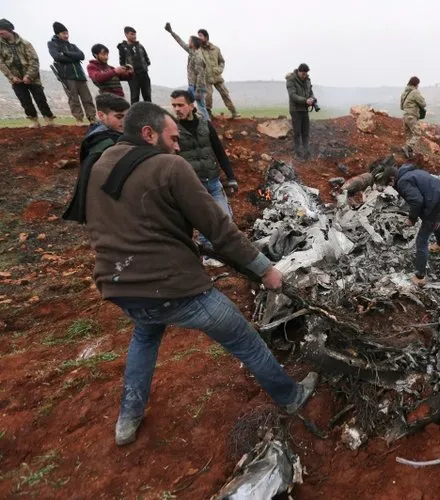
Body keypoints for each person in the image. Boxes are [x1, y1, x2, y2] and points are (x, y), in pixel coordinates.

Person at [83, 101, 318, 446]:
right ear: (149, 134)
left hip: (119, 287)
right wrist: (265, 270)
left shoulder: (100, 164)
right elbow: (220, 231)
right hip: (176, 288)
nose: (178, 146)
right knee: (245, 340)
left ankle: (127, 420)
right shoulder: (169, 166)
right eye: (173, 138)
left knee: (145, 337)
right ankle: (291, 396)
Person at [170, 89, 238, 267]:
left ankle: (224, 250)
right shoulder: (171, 129)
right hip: (193, 184)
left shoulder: (205, 125)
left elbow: (219, 152)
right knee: (202, 220)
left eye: (180, 105)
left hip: (213, 181)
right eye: (174, 105)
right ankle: (208, 255)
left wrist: (231, 176)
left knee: (224, 217)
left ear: (192, 105)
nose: (177, 109)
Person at [63, 93, 131, 223]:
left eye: (127, 117)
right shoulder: (104, 144)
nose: (124, 122)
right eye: (119, 117)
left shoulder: (102, 132)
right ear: (101, 115)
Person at [382, 163, 440, 287]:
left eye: (389, 183)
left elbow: (417, 201)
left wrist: (411, 219)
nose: (391, 186)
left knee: (421, 240)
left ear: (392, 179)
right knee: (431, 221)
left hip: (436, 203)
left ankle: (420, 276)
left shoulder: (403, 182)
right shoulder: (410, 172)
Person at [0, 19, 55, 127]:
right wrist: (12, 78)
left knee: (40, 99)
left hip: (33, 78)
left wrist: (29, 76)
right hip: (16, 80)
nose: (0, 34)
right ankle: (34, 121)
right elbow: (1, 64)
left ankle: (49, 121)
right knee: (25, 102)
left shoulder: (25, 44)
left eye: (1, 32)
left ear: (9, 30)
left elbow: (34, 60)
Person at [48, 22, 96, 125]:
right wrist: (74, 57)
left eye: (67, 33)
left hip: (80, 75)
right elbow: (56, 57)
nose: (66, 35)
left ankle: (92, 118)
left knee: (87, 98)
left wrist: (65, 53)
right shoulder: (53, 44)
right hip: (67, 76)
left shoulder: (72, 46)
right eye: (63, 33)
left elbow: (81, 55)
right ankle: (79, 119)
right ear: (57, 34)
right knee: (73, 99)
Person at [165, 23, 209, 119]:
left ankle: (207, 125)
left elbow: (200, 75)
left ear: (193, 44)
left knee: (201, 107)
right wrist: (171, 32)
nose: (187, 42)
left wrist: (197, 91)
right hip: (192, 86)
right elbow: (180, 42)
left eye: (189, 41)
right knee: (188, 104)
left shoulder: (198, 57)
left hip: (197, 87)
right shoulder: (192, 52)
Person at [197, 29, 238, 119]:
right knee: (208, 96)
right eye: (198, 35)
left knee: (225, 93)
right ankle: (208, 113)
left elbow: (222, 61)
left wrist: (220, 69)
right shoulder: (198, 50)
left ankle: (234, 112)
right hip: (206, 77)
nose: (199, 37)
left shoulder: (215, 49)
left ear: (206, 37)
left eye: (200, 35)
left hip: (217, 76)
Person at [286, 63, 316, 159]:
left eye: (306, 74)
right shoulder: (291, 80)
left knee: (306, 131)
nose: (304, 76)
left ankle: (306, 152)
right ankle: (297, 153)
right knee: (297, 132)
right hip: (295, 110)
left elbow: (311, 92)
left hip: (304, 109)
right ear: (298, 71)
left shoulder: (307, 80)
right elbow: (293, 95)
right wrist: (305, 100)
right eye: (303, 74)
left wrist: (312, 99)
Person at [117, 26, 151, 104]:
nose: (134, 36)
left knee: (147, 96)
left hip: (144, 74)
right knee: (135, 97)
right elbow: (122, 63)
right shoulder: (122, 47)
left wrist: (144, 67)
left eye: (135, 34)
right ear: (126, 34)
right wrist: (128, 70)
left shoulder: (140, 46)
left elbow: (147, 60)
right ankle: (134, 115)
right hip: (132, 76)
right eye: (132, 34)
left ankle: (150, 114)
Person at [400, 76, 426, 158]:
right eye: (418, 84)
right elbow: (423, 103)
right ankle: (407, 148)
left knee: (409, 135)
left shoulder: (404, 93)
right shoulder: (415, 92)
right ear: (416, 84)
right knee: (417, 134)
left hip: (405, 116)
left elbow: (401, 107)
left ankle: (408, 153)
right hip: (412, 116)